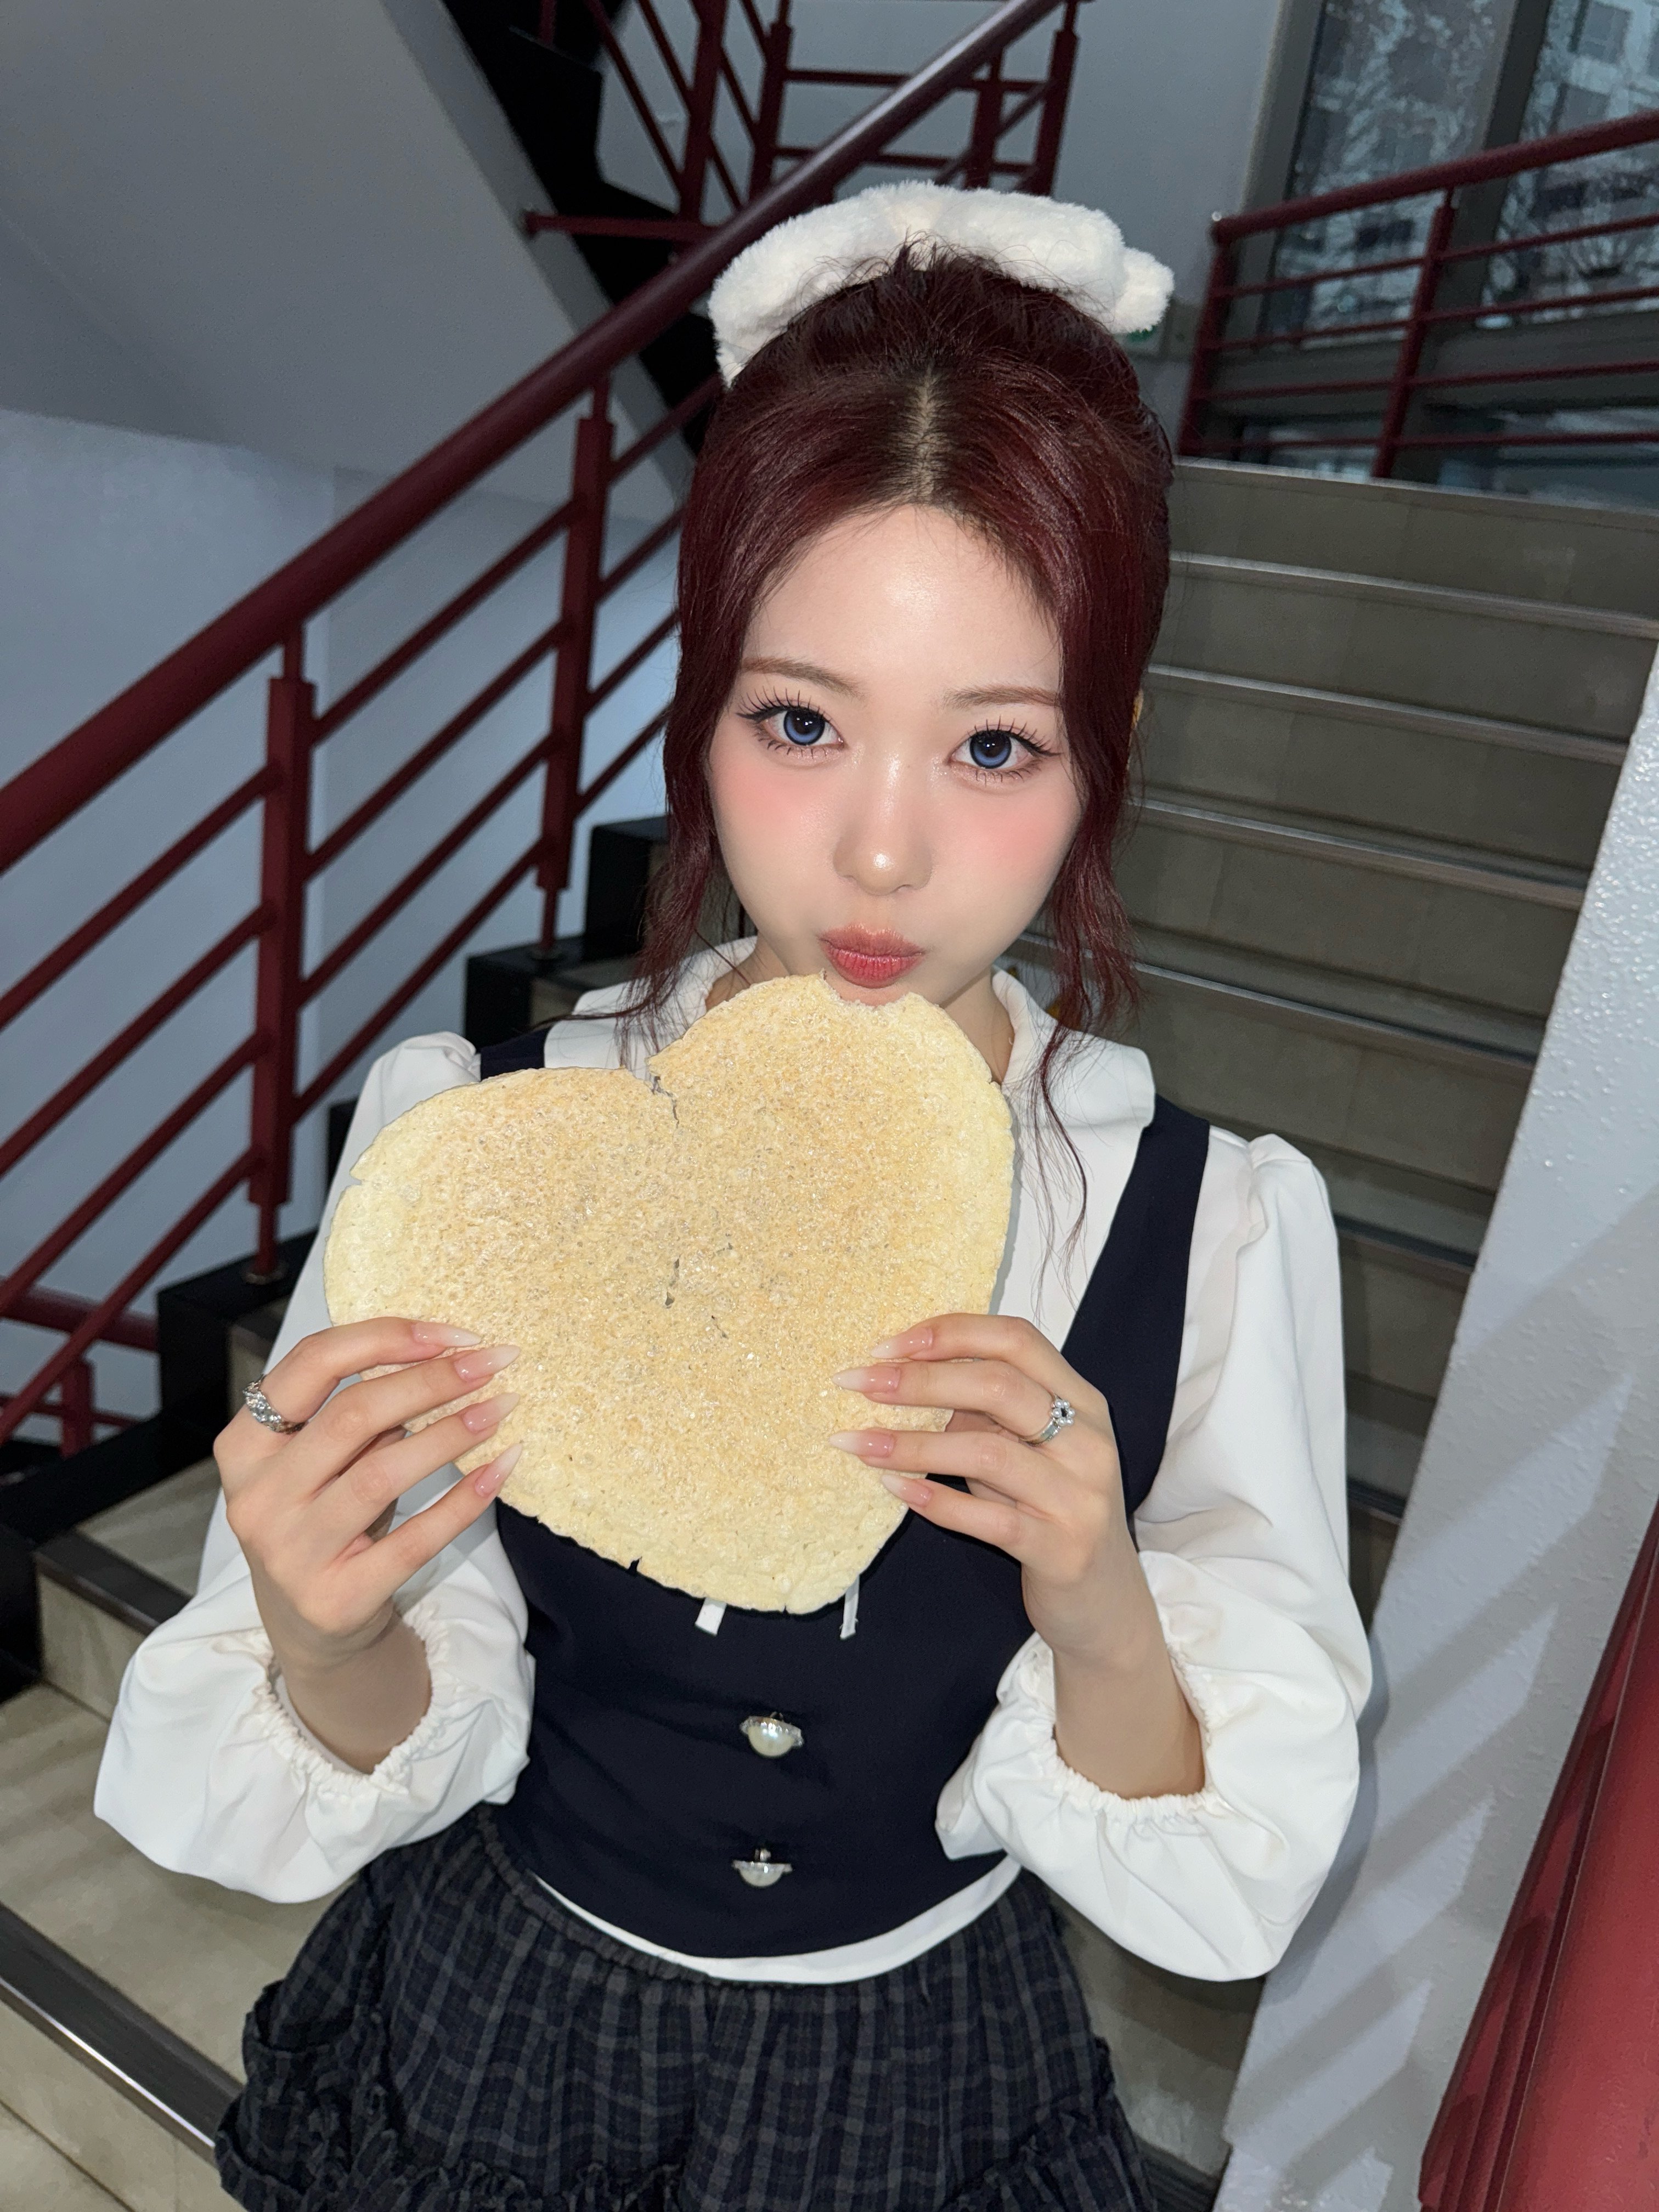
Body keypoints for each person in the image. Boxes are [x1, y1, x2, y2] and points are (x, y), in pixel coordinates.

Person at [95, 185, 1370, 2211]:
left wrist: (1101, 1607)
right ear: (700, 705)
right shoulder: (495, 1143)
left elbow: (1219, 1892)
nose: (881, 854)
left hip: (917, 2059)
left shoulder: (1202, 1230)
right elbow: (409, 1677)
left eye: (993, 747)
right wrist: (325, 1634)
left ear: (1104, 751)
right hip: (502, 2014)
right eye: (800, 722)